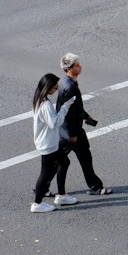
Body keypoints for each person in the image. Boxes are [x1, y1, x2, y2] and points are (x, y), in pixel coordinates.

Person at [56, 52, 112, 196]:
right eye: (77, 65)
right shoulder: (70, 87)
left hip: (64, 130)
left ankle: (41, 189)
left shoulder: (65, 82)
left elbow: (74, 107)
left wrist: (86, 116)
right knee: (84, 157)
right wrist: (73, 134)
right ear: (69, 68)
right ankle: (95, 187)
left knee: (57, 160)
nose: (80, 67)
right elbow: (69, 113)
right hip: (71, 131)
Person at [30, 73, 76, 213]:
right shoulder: (45, 105)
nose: (56, 90)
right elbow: (54, 123)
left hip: (48, 142)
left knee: (64, 162)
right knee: (45, 173)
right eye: (55, 88)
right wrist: (65, 108)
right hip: (48, 144)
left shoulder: (38, 100)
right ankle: (37, 203)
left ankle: (61, 195)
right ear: (48, 88)